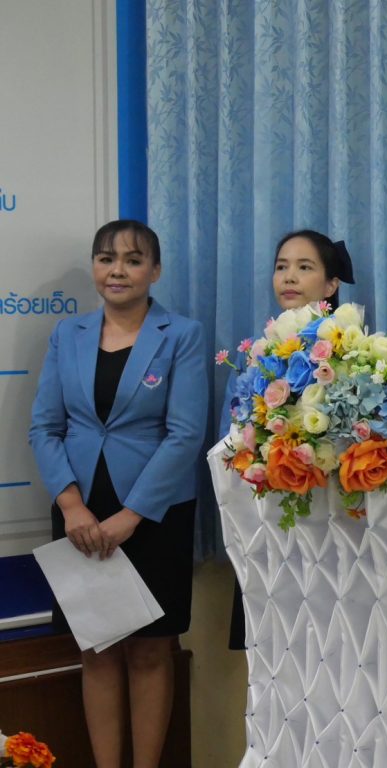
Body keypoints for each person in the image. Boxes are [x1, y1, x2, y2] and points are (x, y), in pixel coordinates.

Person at [28, 220, 208, 768]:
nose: (118, 270)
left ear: (154, 270)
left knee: (152, 651)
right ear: (94, 267)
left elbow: (185, 435)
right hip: (80, 514)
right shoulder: (68, 334)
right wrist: (71, 505)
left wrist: (132, 515)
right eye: (106, 258)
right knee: (97, 650)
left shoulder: (181, 334)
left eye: (133, 260)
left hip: (154, 512)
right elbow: (44, 428)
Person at [220, 229, 355, 648]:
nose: (289, 277)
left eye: (304, 267)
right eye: (282, 267)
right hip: (269, 525)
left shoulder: (352, 352)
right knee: (271, 651)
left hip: (332, 528)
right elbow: (230, 439)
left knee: (329, 647)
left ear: (331, 285)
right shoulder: (259, 353)